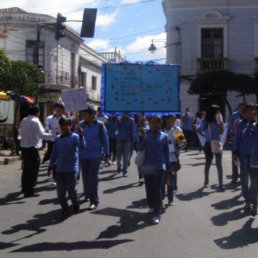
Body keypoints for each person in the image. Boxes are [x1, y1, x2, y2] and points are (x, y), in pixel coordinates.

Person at [48, 117, 85, 220]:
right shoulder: (58, 139)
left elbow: (83, 146)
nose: (63, 127)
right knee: (60, 193)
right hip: (60, 169)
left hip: (72, 169)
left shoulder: (75, 137)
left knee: (72, 191)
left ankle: (75, 203)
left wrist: (82, 135)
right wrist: (51, 165)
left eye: (66, 125)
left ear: (70, 126)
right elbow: (54, 153)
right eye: (61, 125)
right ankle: (65, 210)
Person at [138, 116, 170, 224]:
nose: (154, 124)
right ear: (149, 123)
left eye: (157, 122)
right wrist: (141, 137)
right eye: (152, 122)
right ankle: (151, 205)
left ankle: (157, 213)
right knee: (149, 188)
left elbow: (166, 152)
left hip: (159, 167)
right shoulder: (146, 136)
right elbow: (140, 148)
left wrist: (168, 167)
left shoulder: (164, 137)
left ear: (160, 124)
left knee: (157, 190)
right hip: (147, 166)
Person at [20, 106, 55, 197]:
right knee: (33, 170)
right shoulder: (36, 121)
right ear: (37, 112)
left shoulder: (24, 120)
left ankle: (24, 187)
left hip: (24, 148)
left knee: (26, 169)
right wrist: (53, 136)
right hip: (32, 148)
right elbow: (42, 135)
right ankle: (29, 190)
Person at [79, 105, 109, 210]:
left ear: (92, 115)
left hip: (95, 156)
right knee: (85, 177)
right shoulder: (80, 125)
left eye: (85, 114)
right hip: (83, 155)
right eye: (82, 114)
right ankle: (87, 194)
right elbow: (75, 139)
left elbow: (105, 141)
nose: (83, 116)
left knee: (93, 178)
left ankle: (94, 200)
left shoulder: (100, 126)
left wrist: (107, 155)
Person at [233, 104, 257, 210]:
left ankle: (252, 198)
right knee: (244, 176)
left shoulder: (256, 124)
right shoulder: (241, 123)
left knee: (254, 180)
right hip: (244, 153)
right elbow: (238, 137)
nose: (251, 113)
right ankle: (247, 199)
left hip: (255, 154)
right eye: (249, 111)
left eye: (253, 111)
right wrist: (235, 151)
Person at [197, 105, 224, 191]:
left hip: (215, 143)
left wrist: (222, 126)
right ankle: (206, 182)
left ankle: (221, 183)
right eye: (217, 111)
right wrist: (205, 136)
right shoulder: (207, 122)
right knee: (209, 163)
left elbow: (221, 132)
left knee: (218, 164)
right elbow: (198, 129)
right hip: (209, 143)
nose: (218, 113)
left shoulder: (217, 121)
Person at [163, 115, 184, 205]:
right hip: (162, 158)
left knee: (171, 178)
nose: (173, 120)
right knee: (162, 178)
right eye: (171, 118)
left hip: (173, 158)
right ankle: (162, 194)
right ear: (166, 119)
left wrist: (177, 146)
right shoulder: (161, 130)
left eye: (174, 119)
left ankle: (170, 198)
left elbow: (183, 142)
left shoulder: (177, 130)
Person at [227, 102, 246, 184]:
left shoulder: (247, 116)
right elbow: (230, 125)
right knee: (235, 159)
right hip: (234, 139)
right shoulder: (235, 115)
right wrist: (229, 137)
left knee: (244, 160)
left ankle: (243, 177)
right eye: (240, 107)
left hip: (244, 141)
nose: (241, 109)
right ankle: (235, 177)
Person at [249, 106, 258, 216]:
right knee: (255, 185)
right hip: (255, 161)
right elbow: (248, 137)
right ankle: (255, 205)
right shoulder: (253, 126)